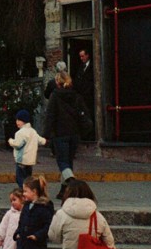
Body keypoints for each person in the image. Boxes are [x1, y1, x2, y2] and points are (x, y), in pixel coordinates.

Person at [44, 71, 90, 200]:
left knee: (62, 162)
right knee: (68, 162)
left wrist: (46, 135)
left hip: (60, 133)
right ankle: (63, 191)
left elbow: (50, 116)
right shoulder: (76, 96)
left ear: (57, 82)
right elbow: (84, 113)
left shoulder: (55, 96)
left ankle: (72, 182)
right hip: (74, 134)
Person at [8, 109, 47, 189]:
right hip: (30, 161)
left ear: (24, 121)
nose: (17, 122)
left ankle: (24, 192)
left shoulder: (20, 133)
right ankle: (29, 191)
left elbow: (18, 144)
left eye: (19, 120)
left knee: (20, 179)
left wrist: (10, 141)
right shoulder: (33, 131)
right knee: (28, 178)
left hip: (21, 160)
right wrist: (45, 141)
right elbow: (40, 140)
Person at [74, 49, 94, 136]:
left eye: (82, 56)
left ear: (87, 55)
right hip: (81, 97)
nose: (81, 58)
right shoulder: (81, 67)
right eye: (80, 56)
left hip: (89, 96)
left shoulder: (93, 66)